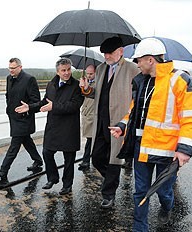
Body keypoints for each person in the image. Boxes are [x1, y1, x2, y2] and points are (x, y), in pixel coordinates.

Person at [109, 37, 192, 231]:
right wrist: (122, 126)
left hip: (167, 151)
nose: (137, 64)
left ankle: (167, 206)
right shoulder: (140, 81)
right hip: (142, 147)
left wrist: (184, 149)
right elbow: (134, 111)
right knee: (140, 191)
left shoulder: (180, 80)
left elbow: (190, 118)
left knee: (164, 190)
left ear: (150, 60)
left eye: (139, 60)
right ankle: (140, 227)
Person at [80, 37, 140, 208]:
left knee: (114, 160)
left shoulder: (132, 69)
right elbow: (96, 93)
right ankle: (111, 180)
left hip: (119, 124)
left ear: (120, 51)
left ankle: (109, 195)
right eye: (104, 53)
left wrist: (129, 119)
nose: (106, 56)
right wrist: (86, 89)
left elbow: (137, 97)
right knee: (97, 157)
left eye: (110, 53)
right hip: (101, 122)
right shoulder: (100, 68)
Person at [15, 58, 84, 195]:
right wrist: (30, 107)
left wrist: (54, 106)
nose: (66, 73)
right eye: (63, 70)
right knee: (47, 152)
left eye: (69, 70)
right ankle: (52, 178)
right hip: (53, 126)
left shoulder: (77, 86)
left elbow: (75, 105)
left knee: (69, 158)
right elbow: (43, 102)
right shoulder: (51, 84)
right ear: (57, 71)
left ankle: (67, 185)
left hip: (69, 127)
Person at [0, 58, 43, 179]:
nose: (11, 70)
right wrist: (8, 108)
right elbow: (8, 95)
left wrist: (28, 108)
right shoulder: (9, 78)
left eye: (13, 68)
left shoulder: (29, 79)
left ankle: (3, 170)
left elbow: (37, 101)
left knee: (14, 145)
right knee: (26, 141)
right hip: (13, 117)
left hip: (24, 118)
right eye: (9, 68)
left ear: (20, 67)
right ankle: (38, 160)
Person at [78, 64, 96, 171]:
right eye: (87, 73)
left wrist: (86, 87)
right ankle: (87, 160)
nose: (89, 76)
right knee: (89, 140)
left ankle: (86, 161)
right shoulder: (85, 82)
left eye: (91, 73)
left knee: (90, 140)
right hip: (86, 114)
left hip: (92, 115)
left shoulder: (97, 83)